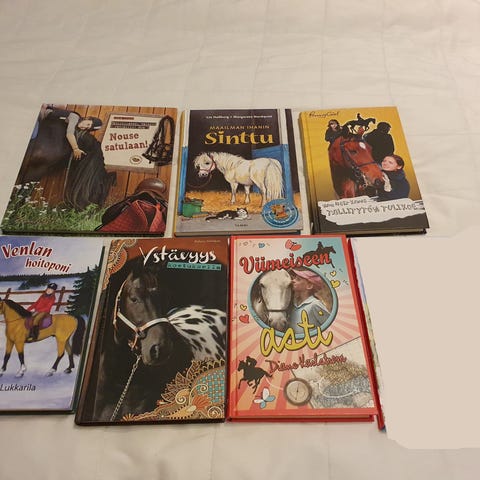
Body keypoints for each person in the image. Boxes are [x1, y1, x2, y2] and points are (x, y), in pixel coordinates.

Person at [37, 105, 103, 159]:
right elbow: (69, 134)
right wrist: (75, 149)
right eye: (88, 124)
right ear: (87, 118)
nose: (84, 126)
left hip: (46, 125)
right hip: (42, 115)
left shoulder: (77, 128)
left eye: (87, 128)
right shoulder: (75, 117)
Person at [289, 269, 331, 335]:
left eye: (298, 279)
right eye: (294, 278)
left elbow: (330, 325)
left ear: (309, 286)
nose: (293, 281)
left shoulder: (315, 304)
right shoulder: (294, 305)